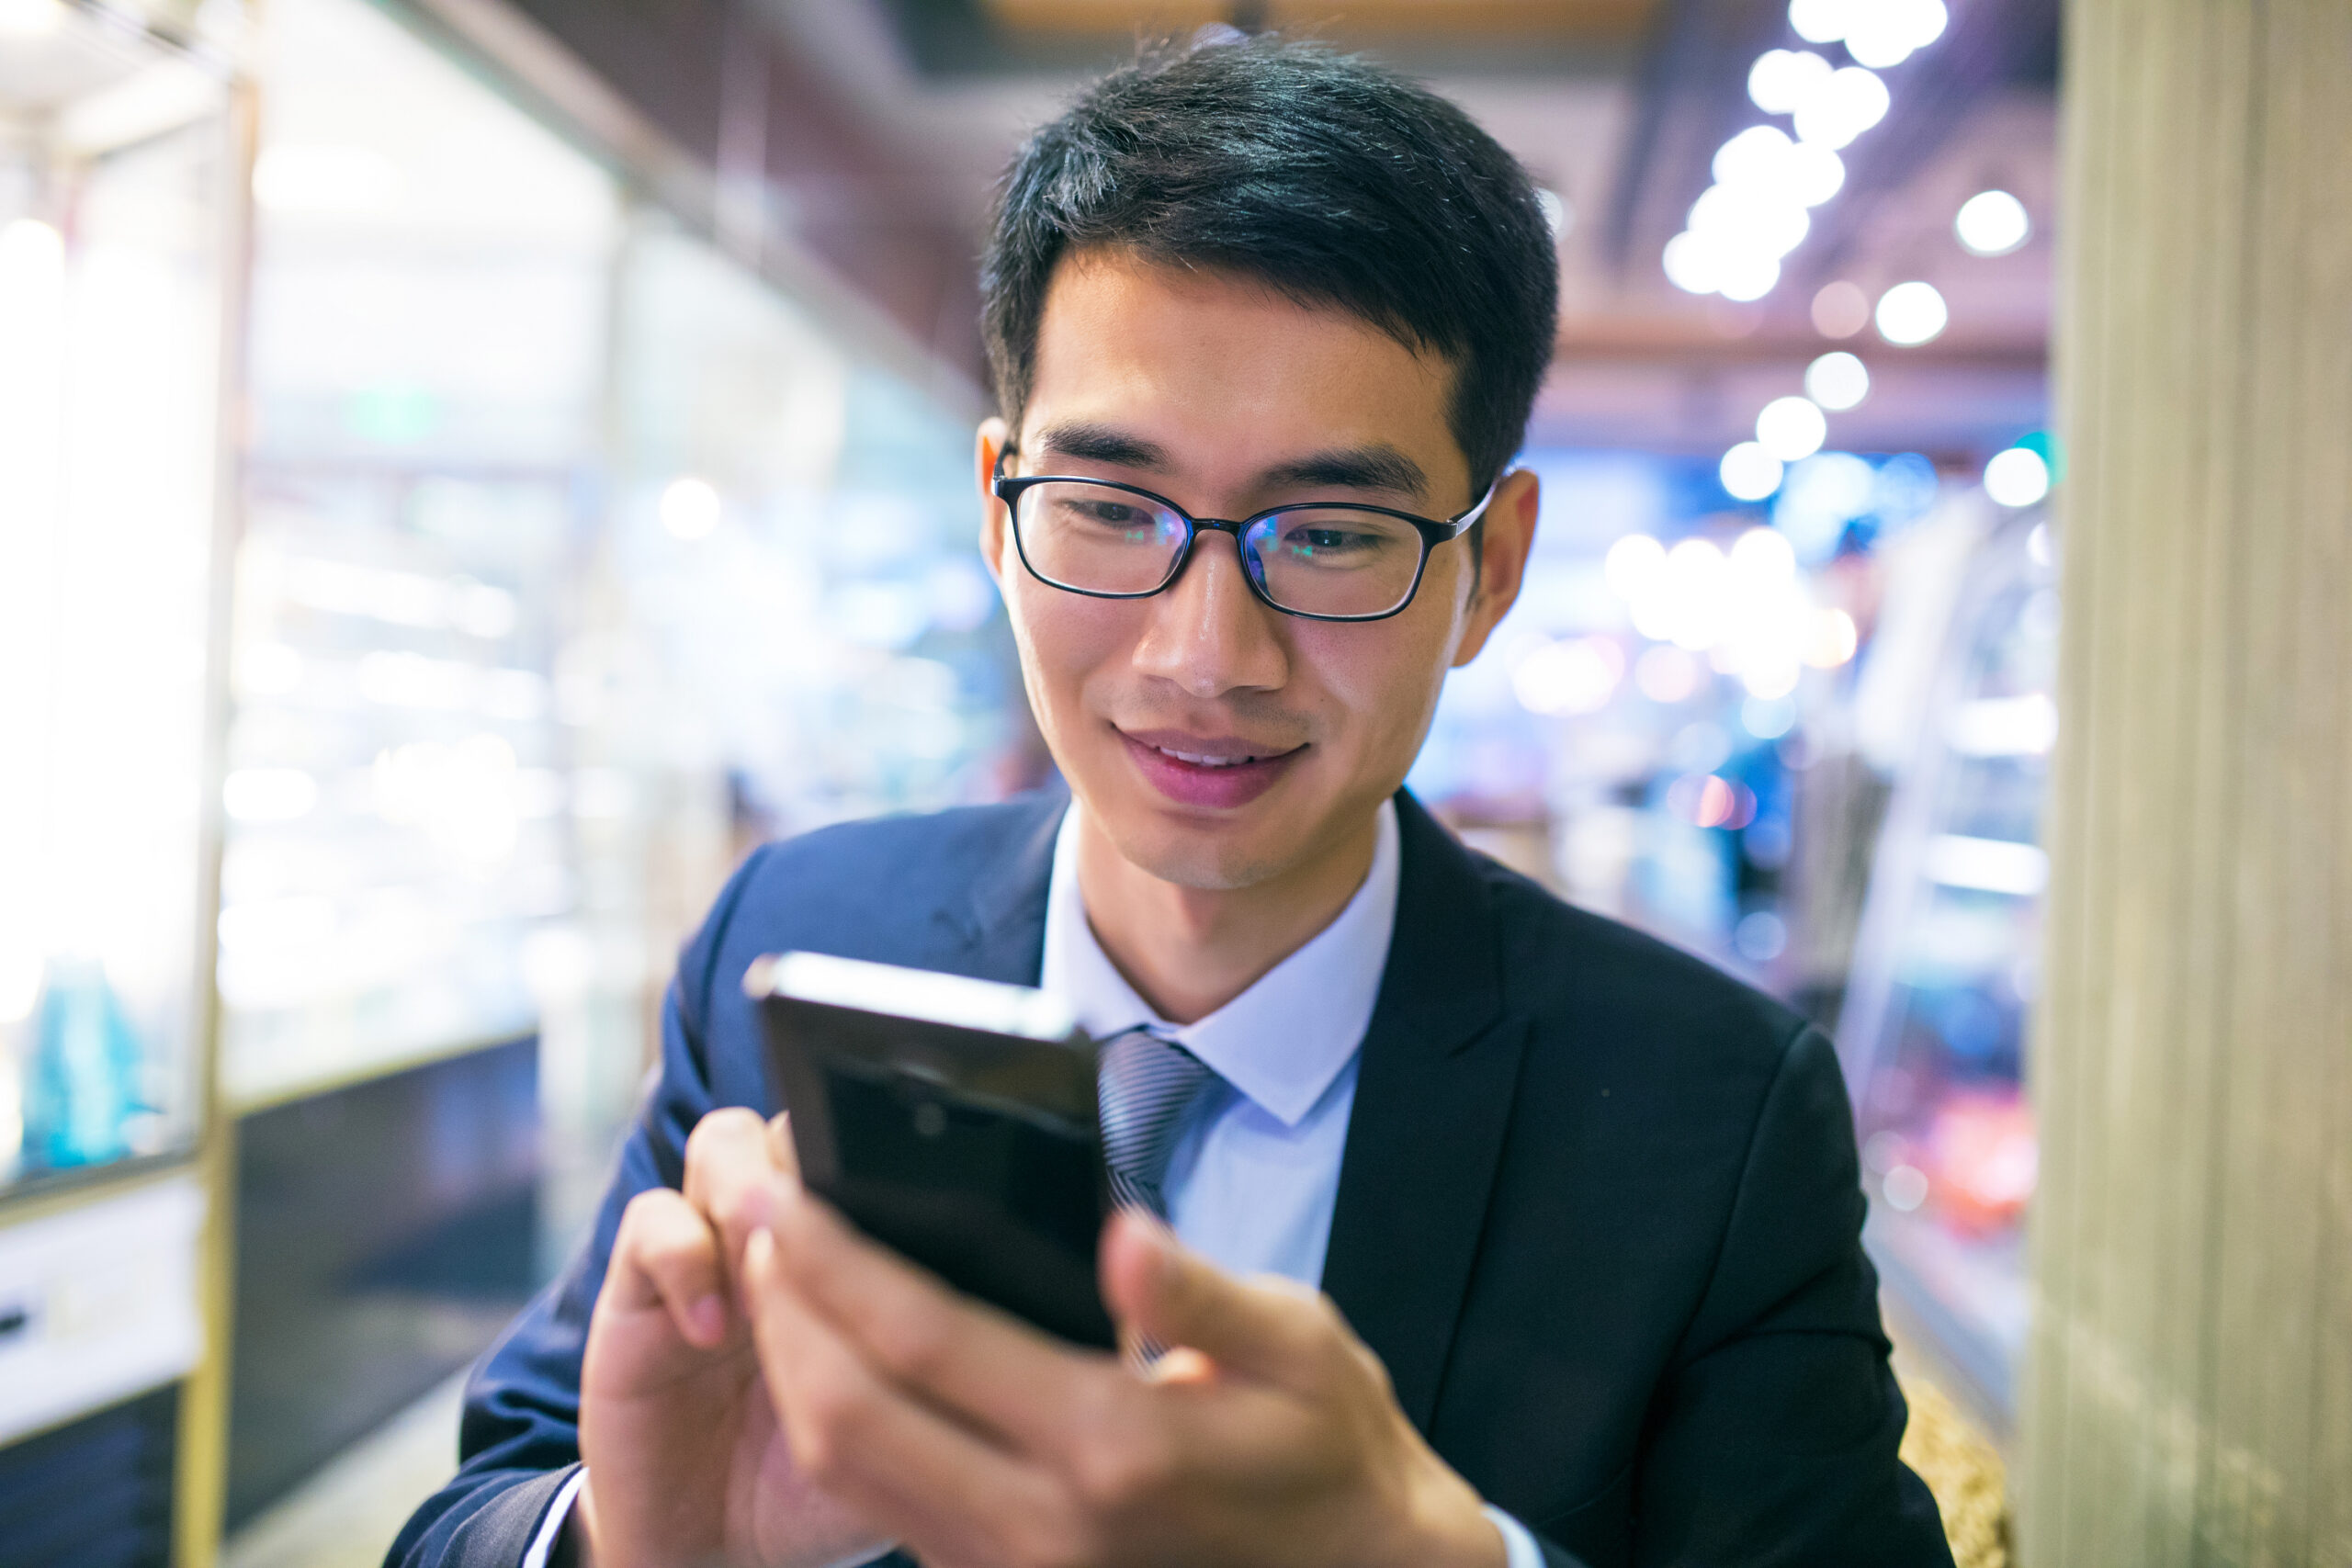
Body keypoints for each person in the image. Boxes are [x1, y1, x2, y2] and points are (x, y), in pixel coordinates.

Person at [390, 35, 1951, 1568]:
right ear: (1002, 515)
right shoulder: (796, 943)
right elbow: (484, 1505)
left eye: (1333, 532)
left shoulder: (1706, 1113)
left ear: (1490, 568)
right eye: (1112, 509)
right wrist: (628, 1544)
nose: (1206, 657)